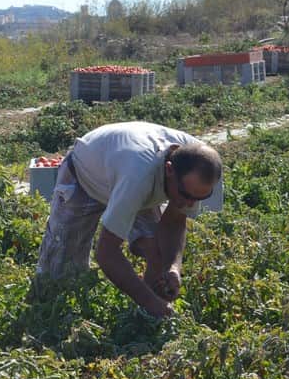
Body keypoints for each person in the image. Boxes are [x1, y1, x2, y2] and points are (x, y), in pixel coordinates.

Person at [34, 121, 224, 319]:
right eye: (186, 195)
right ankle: (45, 320)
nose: (189, 203)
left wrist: (173, 267)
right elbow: (107, 253)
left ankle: (146, 315)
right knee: (57, 277)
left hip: (131, 175)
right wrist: (152, 304)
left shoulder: (198, 164)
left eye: (199, 198)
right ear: (169, 170)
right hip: (86, 176)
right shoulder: (138, 177)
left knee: (158, 250)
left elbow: (175, 221)